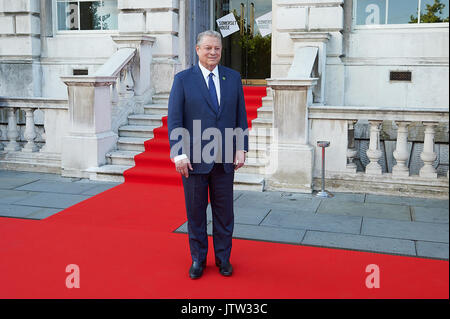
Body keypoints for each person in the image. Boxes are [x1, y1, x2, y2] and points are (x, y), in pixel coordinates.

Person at [167, 30, 248, 279]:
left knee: (225, 213)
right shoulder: (183, 80)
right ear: (197, 49)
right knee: (196, 213)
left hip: (224, 159)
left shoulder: (232, 78)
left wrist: (241, 147)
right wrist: (179, 154)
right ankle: (198, 259)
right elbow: (175, 118)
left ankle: (224, 258)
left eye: (217, 49)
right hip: (193, 160)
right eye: (208, 48)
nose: (213, 52)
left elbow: (240, 116)